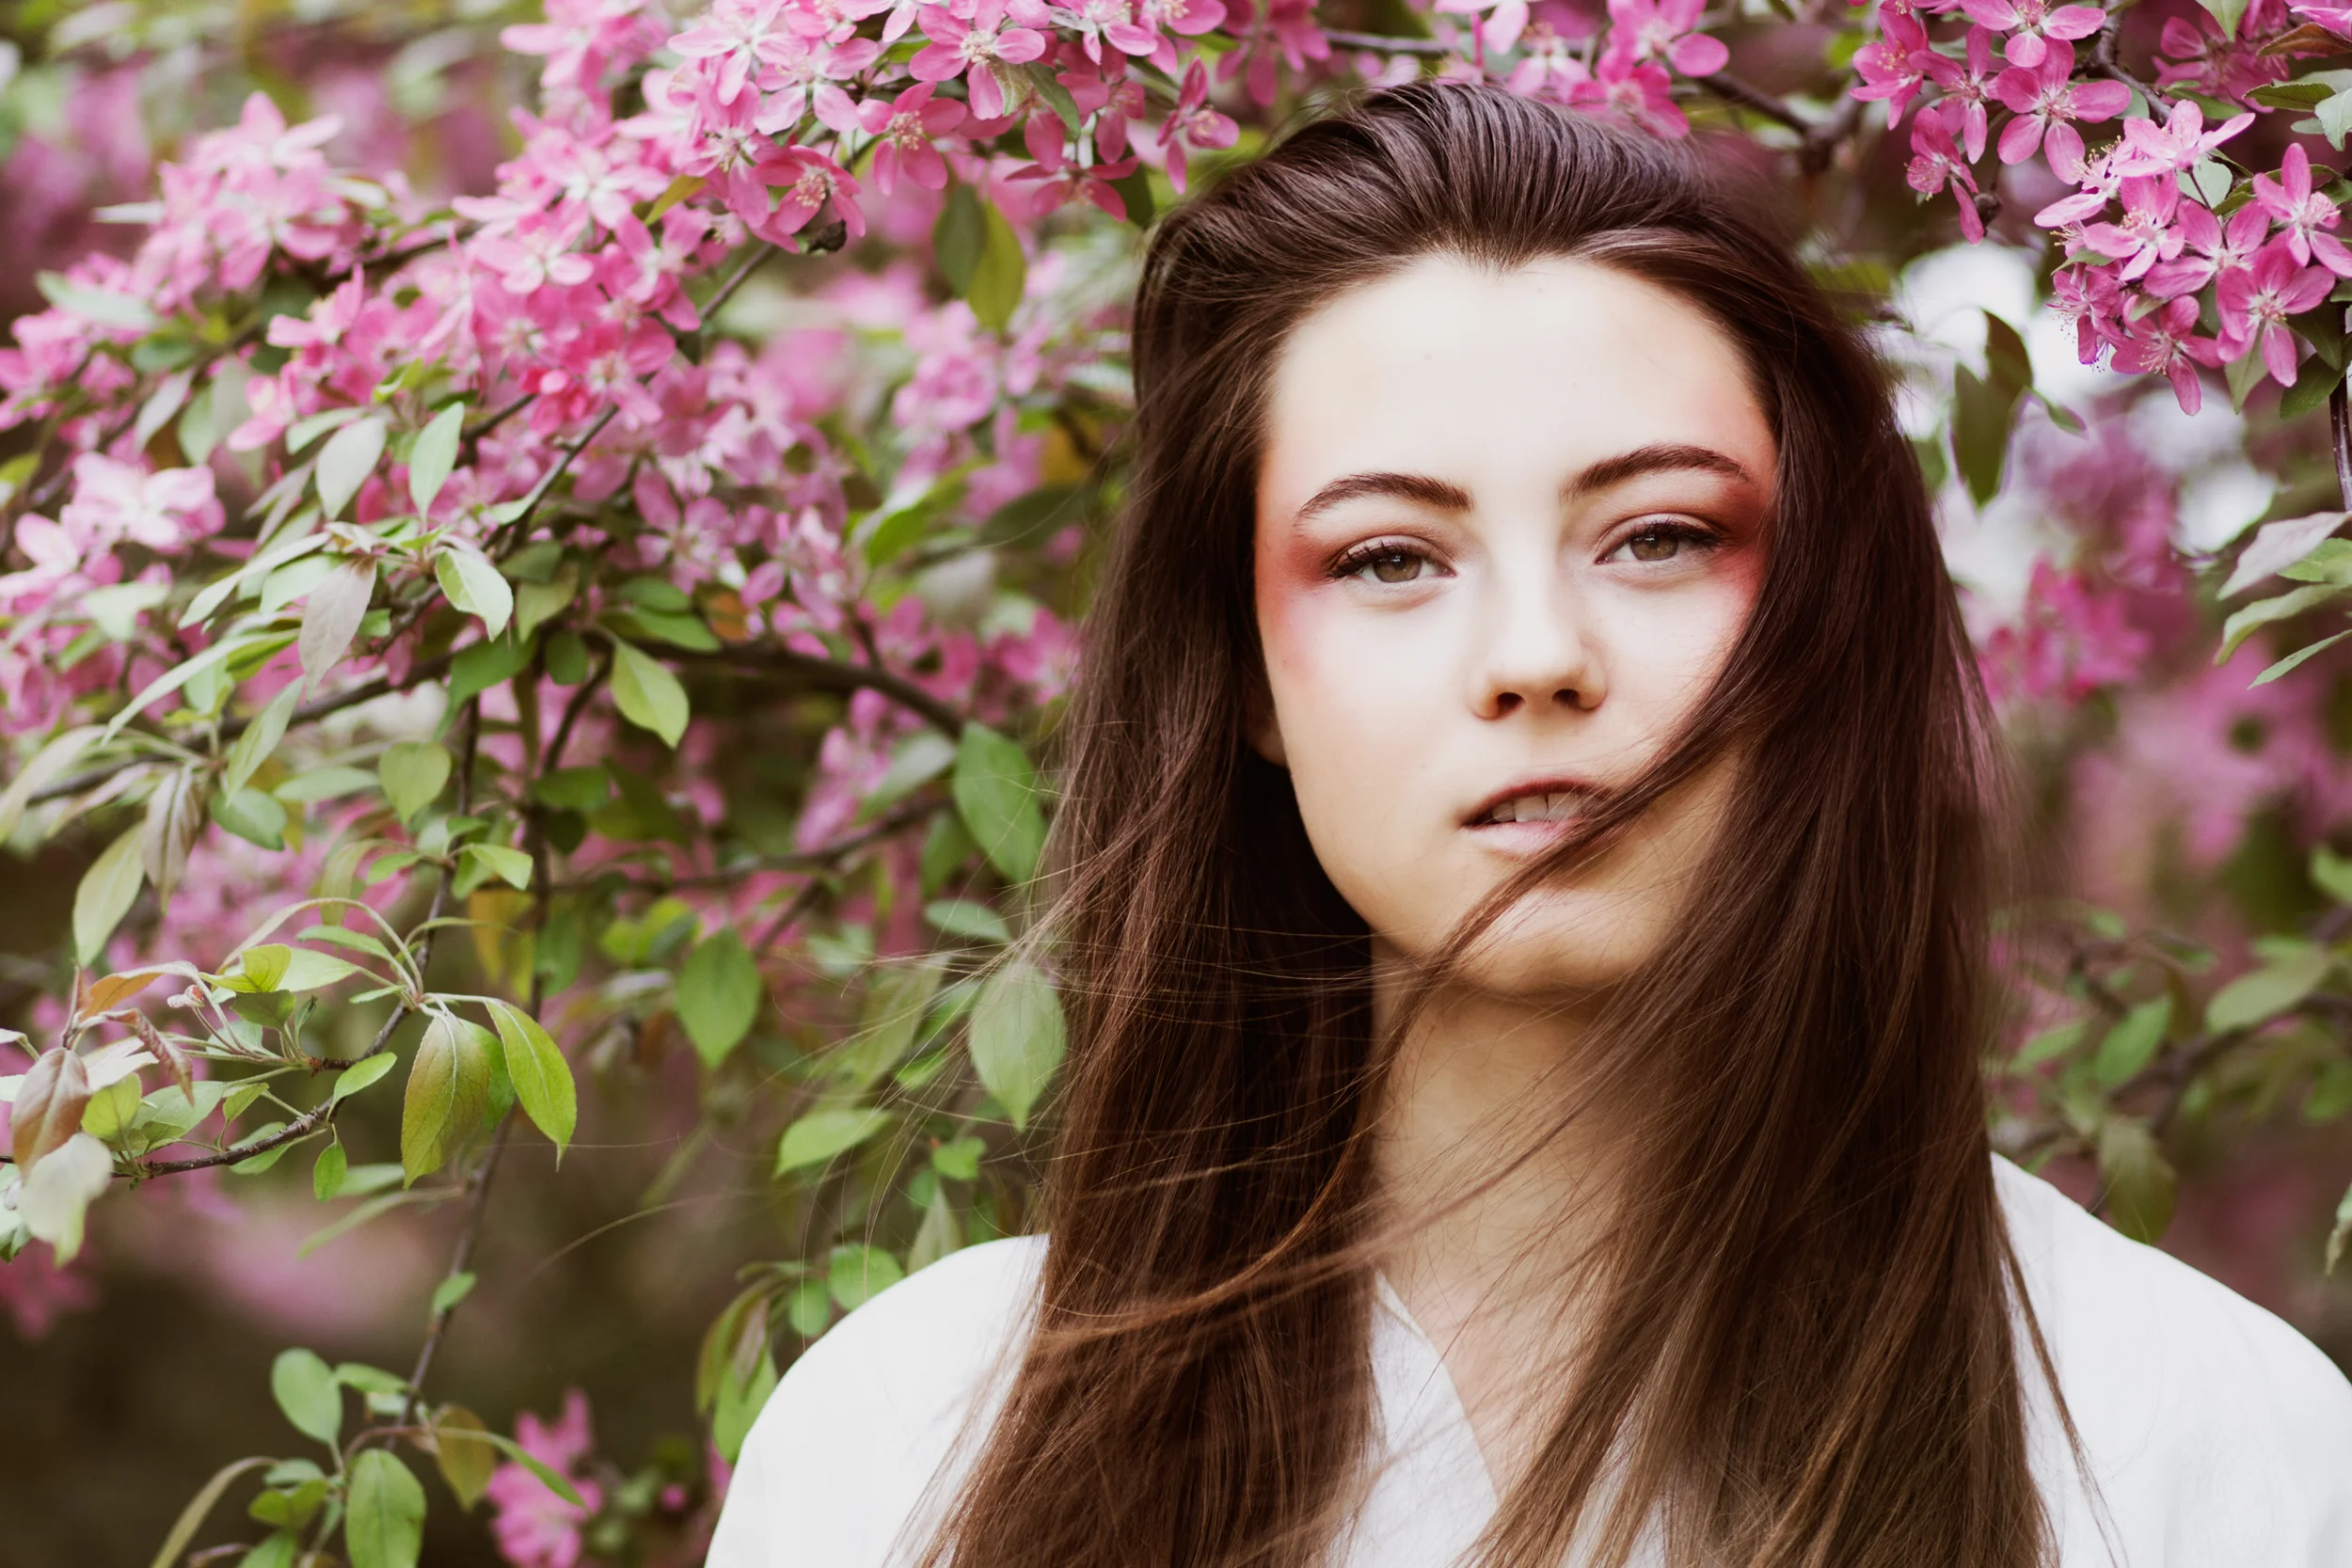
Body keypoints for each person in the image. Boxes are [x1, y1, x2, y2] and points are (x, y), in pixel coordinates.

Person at [707, 80, 2352, 1568]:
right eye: (1388, 558)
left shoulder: (2201, 1438)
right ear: (1248, 675)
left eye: (1658, 536)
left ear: (1822, 623)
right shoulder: (910, 1445)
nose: (1538, 656)